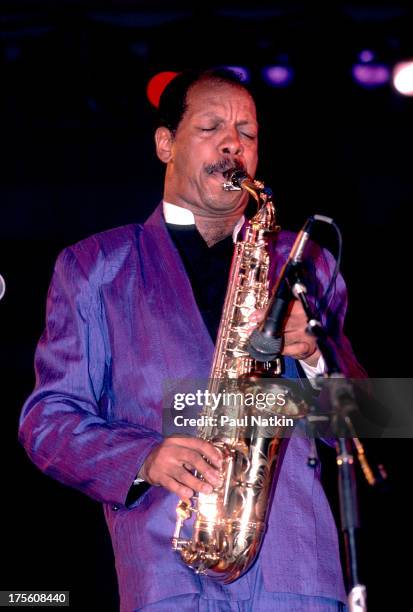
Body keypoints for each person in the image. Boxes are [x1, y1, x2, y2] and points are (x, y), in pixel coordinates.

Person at [19, 68, 365, 611]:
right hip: (166, 576)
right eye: (212, 127)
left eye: (247, 133)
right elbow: (47, 421)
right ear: (165, 144)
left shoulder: (305, 264)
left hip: (299, 577)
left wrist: (317, 356)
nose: (234, 143)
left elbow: (367, 421)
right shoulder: (93, 268)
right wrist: (144, 457)